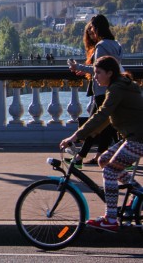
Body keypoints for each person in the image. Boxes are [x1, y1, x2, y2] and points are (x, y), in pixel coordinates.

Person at [59, 55, 143, 232]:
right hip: (134, 136)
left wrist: (75, 136)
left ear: (110, 73)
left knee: (110, 171)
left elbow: (102, 115)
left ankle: (111, 219)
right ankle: (139, 196)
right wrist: (84, 136)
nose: (95, 77)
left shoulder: (117, 89)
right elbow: (105, 120)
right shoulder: (119, 85)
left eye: (98, 73)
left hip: (139, 139)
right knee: (104, 159)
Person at [69, 14, 122, 165]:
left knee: (95, 123)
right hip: (112, 87)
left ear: (98, 29)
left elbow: (97, 69)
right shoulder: (116, 44)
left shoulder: (101, 46)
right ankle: (97, 155)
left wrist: (77, 67)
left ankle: (80, 157)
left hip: (101, 89)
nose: (91, 32)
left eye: (92, 29)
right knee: (106, 126)